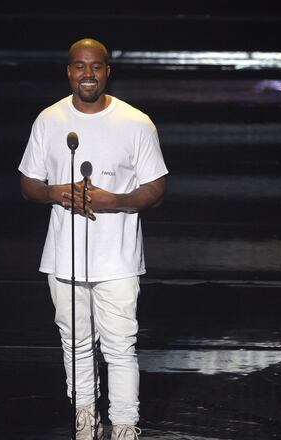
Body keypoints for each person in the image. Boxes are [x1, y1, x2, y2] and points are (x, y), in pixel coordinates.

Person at [18, 38, 168, 440]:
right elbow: (28, 183)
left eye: (96, 66)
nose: (88, 74)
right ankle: (85, 420)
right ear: (69, 71)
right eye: (80, 66)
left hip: (117, 260)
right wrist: (56, 191)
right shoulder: (49, 120)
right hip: (64, 259)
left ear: (107, 71)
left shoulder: (136, 122)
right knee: (76, 344)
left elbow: (156, 189)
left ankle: (124, 425)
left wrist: (114, 200)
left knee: (120, 347)